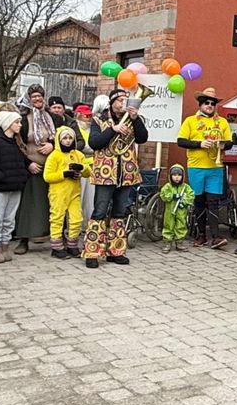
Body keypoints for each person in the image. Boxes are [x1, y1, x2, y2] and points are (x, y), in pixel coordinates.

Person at [82, 89, 148, 268]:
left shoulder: (133, 118)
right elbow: (94, 143)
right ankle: (92, 252)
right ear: (112, 103)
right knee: (99, 212)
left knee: (119, 212)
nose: (123, 103)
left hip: (126, 173)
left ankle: (116, 251)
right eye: (120, 100)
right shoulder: (98, 119)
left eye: (125, 100)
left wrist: (135, 120)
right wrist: (113, 129)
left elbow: (142, 138)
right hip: (105, 173)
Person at [177, 88, 234, 250]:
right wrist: (200, 144)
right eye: (206, 103)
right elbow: (181, 141)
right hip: (196, 167)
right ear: (200, 104)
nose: (209, 105)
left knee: (213, 202)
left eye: (212, 103)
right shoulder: (190, 121)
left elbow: (229, 143)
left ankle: (216, 237)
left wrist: (222, 144)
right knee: (199, 201)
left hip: (215, 168)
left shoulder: (222, 122)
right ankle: (201, 235)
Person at [0, 109, 31, 263]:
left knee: (9, 220)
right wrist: (0, 176)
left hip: (15, 187)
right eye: (16, 122)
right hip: (0, 189)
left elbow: (22, 162)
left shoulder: (16, 143)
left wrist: (22, 177)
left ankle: (5, 246)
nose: (19, 125)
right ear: (8, 124)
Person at [13, 85, 54, 254]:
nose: (37, 99)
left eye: (40, 96)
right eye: (34, 97)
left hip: (51, 168)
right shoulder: (23, 120)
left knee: (49, 204)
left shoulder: (54, 118)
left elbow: (66, 137)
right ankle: (23, 239)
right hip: (31, 167)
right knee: (28, 205)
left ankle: (50, 236)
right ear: (29, 99)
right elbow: (16, 145)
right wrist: (27, 163)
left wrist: (52, 145)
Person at [42, 124, 90, 259]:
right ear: (59, 140)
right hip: (58, 193)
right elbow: (47, 176)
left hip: (74, 193)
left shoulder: (78, 154)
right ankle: (57, 248)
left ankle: (72, 245)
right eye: (65, 138)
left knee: (76, 219)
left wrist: (82, 168)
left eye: (70, 138)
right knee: (57, 218)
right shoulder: (54, 156)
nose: (68, 140)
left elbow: (88, 173)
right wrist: (64, 174)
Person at [159, 163, 194, 252]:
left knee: (181, 225)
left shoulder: (186, 187)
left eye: (179, 175)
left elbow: (191, 196)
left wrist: (184, 202)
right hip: (170, 210)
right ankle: (167, 242)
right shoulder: (167, 186)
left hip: (181, 210)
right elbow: (163, 195)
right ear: (170, 176)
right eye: (174, 175)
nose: (177, 177)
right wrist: (172, 196)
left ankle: (179, 242)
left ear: (183, 176)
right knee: (168, 225)